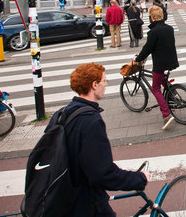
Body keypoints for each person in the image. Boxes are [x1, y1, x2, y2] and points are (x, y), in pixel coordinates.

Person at [47, 62, 150, 215]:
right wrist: (139, 179)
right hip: (85, 202)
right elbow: (103, 174)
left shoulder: (62, 113)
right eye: (104, 80)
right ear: (94, 85)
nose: (106, 84)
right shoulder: (91, 121)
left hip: (61, 196)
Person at [133, 6, 179, 129]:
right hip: (171, 61)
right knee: (161, 79)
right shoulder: (169, 28)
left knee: (155, 88)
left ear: (152, 18)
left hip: (160, 63)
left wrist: (138, 59)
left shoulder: (153, 32)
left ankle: (166, 115)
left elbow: (147, 48)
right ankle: (172, 92)